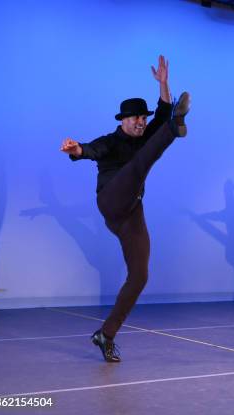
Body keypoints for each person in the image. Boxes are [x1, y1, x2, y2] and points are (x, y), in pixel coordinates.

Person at [60, 55, 190, 362]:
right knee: (139, 163)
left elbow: (161, 112)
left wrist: (163, 83)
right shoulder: (110, 141)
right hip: (111, 200)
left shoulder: (146, 132)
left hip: (131, 211)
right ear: (122, 120)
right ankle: (177, 127)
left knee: (140, 275)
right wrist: (75, 149)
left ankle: (106, 334)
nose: (141, 122)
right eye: (135, 119)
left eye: (143, 119)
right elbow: (90, 150)